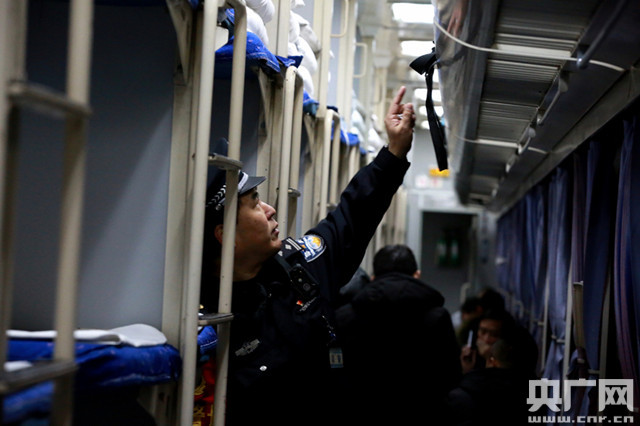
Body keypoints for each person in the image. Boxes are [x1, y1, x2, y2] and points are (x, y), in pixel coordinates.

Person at [199, 87, 416, 426]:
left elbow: (352, 216)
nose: (270, 209)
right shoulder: (207, 323)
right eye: (254, 203)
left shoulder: (298, 268)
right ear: (225, 236)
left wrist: (394, 153)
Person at [335, 244, 461, 425]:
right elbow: (450, 375)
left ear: (373, 278)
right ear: (416, 275)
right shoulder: (437, 318)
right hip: (422, 417)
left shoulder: (345, 317)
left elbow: (335, 371)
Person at [445, 326, 538, 426]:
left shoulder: (463, 396)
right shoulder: (539, 397)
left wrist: (467, 374)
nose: (486, 339)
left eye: (493, 335)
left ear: (492, 361)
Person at [460, 309, 516, 373]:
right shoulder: (471, 354)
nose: (486, 339)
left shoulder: (506, 360)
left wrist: (490, 357)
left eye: (494, 334)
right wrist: (466, 369)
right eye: (483, 332)